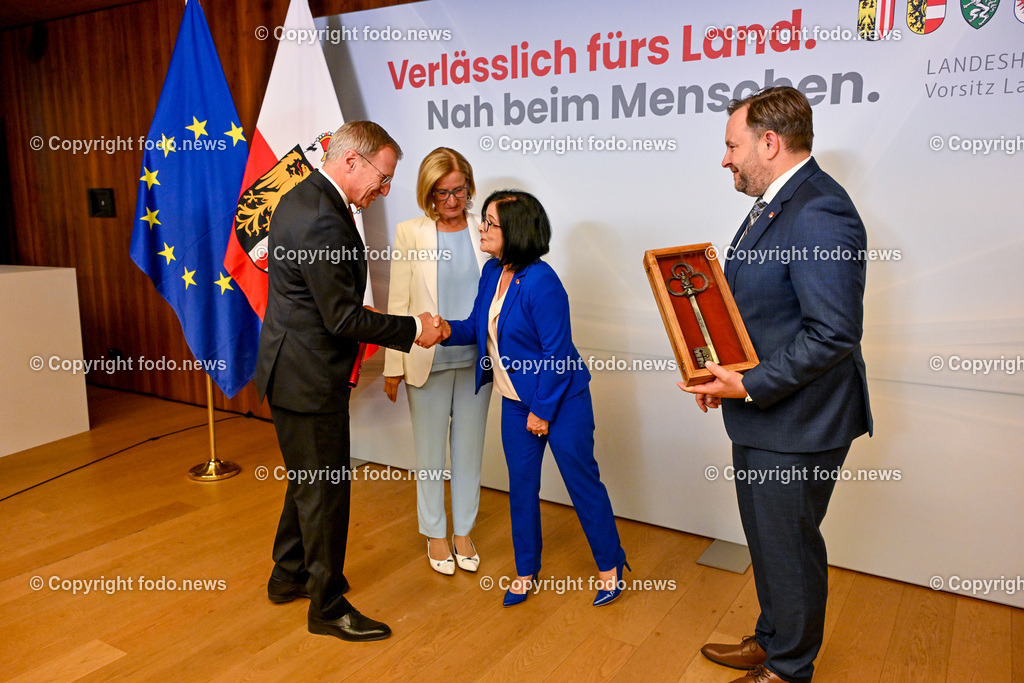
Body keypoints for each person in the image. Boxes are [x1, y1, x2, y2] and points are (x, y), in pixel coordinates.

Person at [680, 87, 872, 683]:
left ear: (770, 141)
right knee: (767, 540)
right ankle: (772, 640)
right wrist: (727, 376)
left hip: (800, 420)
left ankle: (789, 669)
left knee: (789, 547)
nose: (725, 159)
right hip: (768, 412)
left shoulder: (818, 210)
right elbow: (761, 315)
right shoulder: (774, 204)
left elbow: (832, 333)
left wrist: (750, 384)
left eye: (731, 146)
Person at [255, 120, 447, 642]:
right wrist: (413, 329)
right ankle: (327, 606)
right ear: (351, 161)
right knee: (327, 491)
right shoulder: (323, 216)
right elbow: (341, 318)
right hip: (307, 376)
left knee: (307, 481)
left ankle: (287, 574)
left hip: (290, 366)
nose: (383, 191)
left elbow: (322, 302)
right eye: (382, 178)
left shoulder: (301, 196)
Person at [441, 190, 628, 607]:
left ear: (516, 231)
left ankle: (610, 567)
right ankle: (526, 571)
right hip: (515, 401)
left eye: (490, 222)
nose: (481, 228)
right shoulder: (492, 272)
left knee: (582, 484)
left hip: (562, 401)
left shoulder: (544, 283)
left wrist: (542, 412)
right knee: (521, 488)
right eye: (484, 220)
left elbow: (558, 355)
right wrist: (443, 330)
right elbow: (477, 326)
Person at [382, 148, 491, 576]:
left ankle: (463, 531)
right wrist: (392, 367)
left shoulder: (486, 231)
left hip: (475, 362)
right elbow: (398, 303)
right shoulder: (411, 233)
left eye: (459, 190)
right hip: (424, 361)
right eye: (442, 193)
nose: (451, 201)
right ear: (428, 193)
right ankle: (436, 534)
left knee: (469, 452)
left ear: (469, 187)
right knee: (430, 455)